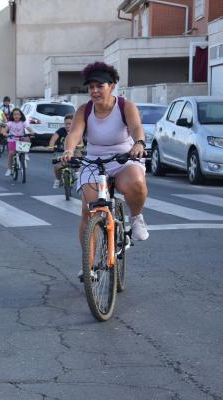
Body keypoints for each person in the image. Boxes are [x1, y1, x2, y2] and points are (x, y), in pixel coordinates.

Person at [60, 62, 149, 275]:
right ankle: (88, 262)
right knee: (89, 211)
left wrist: (139, 143)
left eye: (100, 86)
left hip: (123, 158)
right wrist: (69, 151)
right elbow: (74, 134)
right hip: (94, 160)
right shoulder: (85, 110)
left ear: (112, 86)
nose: (94, 91)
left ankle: (136, 219)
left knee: (136, 182)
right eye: (91, 86)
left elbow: (136, 127)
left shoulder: (125, 106)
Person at [48, 114, 84, 188]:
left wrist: (79, 145)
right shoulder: (61, 130)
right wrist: (51, 146)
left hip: (74, 151)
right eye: (66, 124)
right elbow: (54, 138)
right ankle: (58, 180)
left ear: (74, 123)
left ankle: (78, 173)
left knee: (78, 159)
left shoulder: (76, 131)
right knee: (57, 166)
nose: (67, 125)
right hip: (62, 152)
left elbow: (81, 141)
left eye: (70, 124)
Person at [4, 108, 34, 176]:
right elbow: (5, 131)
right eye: (14, 114)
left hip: (21, 139)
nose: (16, 116)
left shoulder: (23, 122)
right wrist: (5, 133)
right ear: (12, 116)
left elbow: (29, 128)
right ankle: (9, 169)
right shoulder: (10, 123)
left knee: (27, 138)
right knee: (11, 153)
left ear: (21, 115)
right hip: (12, 139)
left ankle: (25, 154)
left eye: (18, 114)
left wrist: (32, 132)